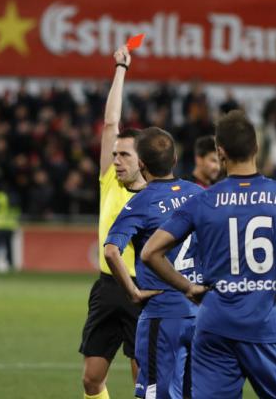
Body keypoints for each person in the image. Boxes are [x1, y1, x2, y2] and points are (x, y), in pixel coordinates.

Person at [141, 110, 276, 399]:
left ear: (220, 153)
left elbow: (150, 253)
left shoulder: (202, 200)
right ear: (257, 148)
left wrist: (188, 288)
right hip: (266, 324)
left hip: (214, 324)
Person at [104, 127, 204, 398]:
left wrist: (133, 292)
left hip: (163, 314)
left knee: (157, 394)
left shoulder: (141, 203)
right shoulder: (200, 193)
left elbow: (112, 251)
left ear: (142, 164)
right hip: (201, 314)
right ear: (174, 161)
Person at [79, 45, 147, 399]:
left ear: (143, 160)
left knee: (143, 382)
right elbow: (110, 123)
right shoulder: (109, 180)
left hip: (144, 289)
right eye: (115, 153)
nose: (117, 159)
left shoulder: (156, 192)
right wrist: (121, 69)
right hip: (108, 288)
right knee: (91, 379)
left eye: (125, 155)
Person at [0, 189, 20, 271]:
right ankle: (10, 264)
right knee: (9, 247)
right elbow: (17, 211)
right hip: (9, 226)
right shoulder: (15, 197)